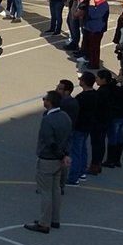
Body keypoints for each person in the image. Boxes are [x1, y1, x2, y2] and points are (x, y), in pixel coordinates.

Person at [24, 91, 72, 234]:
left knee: (45, 191)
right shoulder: (65, 117)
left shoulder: (47, 120)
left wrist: (60, 154)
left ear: (49, 102)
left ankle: (44, 223)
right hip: (60, 159)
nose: (43, 101)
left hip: (48, 159)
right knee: (56, 189)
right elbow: (69, 137)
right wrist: (65, 155)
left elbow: (49, 141)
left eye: (45, 99)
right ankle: (55, 219)